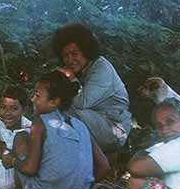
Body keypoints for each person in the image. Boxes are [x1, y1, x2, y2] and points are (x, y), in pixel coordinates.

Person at [4, 71, 109, 189]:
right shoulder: (80, 125)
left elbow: (29, 169)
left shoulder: (40, 123)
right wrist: (78, 186)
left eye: (37, 95)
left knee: (21, 137)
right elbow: (104, 166)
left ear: (54, 101)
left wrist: (12, 160)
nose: (32, 99)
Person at [51, 23, 132, 153]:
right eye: (66, 56)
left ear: (86, 51)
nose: (70, 60)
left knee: (65, 111)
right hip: (94, 123)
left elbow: (82, 103)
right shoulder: (81, 69)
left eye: (74, 53)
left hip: (114, 129)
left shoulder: (101, 68)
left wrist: (71, 79)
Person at [0, 86, 33, 189]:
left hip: (23, 164)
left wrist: (11, 156)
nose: (7, 113)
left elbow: (29, 158)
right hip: (7, 158)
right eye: (3, 107)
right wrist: (4, 152)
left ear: (24, 110)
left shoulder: (28, 129)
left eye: (14, 108)